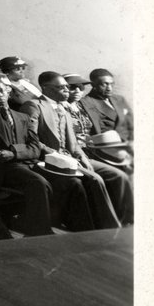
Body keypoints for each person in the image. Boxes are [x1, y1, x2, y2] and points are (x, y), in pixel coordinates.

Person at [0, 75, 82, 236]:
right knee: (38, 182)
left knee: (72, 181)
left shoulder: (22, 117)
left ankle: (78, 228)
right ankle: (39, 232)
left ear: (9, 92)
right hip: (1, 167)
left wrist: (14, 153)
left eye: (2, 90)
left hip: (27, 162)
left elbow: (35, 148)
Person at [25, 72, 128, 227]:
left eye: (67, 87)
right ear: (45, 88)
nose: (67, 90)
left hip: (70, 158)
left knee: (116, 174)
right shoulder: (33, 106)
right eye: (61, 87)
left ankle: (119, 221)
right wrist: (56, 155)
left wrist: (84, 159)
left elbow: (73, 144)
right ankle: (106, 227)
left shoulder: (63, 107)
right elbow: (31, 139)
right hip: (48, 160)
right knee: (94, 179)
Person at [80, 68, 134, 141]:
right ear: (93, 85)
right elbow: (97, 131)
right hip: (107, 145)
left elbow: (131, 125)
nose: (109, 88)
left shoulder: (119, 99)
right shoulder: (86, 102)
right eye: (104, 84)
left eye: (112, 84)